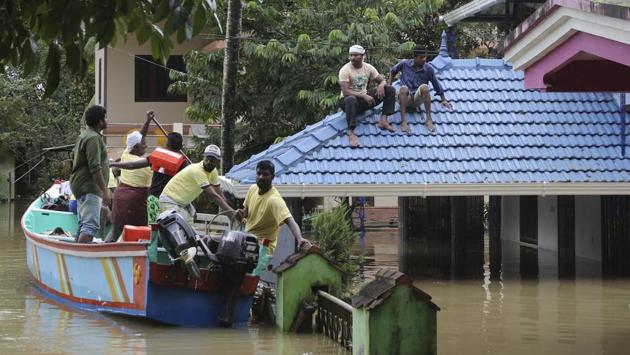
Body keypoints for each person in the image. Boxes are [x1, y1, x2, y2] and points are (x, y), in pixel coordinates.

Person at [109, 115, 189, 223]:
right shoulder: (183, 163)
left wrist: (114, 164)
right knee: (169, 228)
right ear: (181, 146)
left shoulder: (157, 156)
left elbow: (132, 165)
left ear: (167, 144)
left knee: (153, 228)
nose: (145, 145)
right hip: (170, 201)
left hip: (153, 199)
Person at [236, 160, 311, 256]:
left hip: (262, 248)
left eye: (265, 174)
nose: (261, 177)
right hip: (247, 240)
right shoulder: (252, 189)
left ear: (273, 176)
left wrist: (299, 238)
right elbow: (246, 212)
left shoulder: (274, 200)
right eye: (259, 174)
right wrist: (241, 213)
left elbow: (290, 220)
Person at [105, 112, 154, 242]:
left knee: (115, 231)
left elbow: (141, 137)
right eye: (144, 144)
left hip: (120, 197)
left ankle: (102, 252)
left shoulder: (127, 152)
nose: (146, 145)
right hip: (135, 202)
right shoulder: (146, 167)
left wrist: (148, 121)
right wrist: (113, 163)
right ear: (137, 147)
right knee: (141, 234)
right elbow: (132, 165)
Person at [339, 44, 396, 148]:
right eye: (350, 55)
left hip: (363, 101)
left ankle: (383, 120)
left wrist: (381, 86)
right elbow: (346, 91)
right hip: (349, 103)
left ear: (362, 56)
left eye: (355, 55)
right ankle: (351, 132)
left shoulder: (368, 67)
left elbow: (382, 80)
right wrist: (364, 96)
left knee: (390, 89)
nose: (352, 58)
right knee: (350, 99)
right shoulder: (345, 70)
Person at [159, 144, 235, 222]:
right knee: (180, 231)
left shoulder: (213, 172)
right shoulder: (198, 170)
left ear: (218, 162)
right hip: (169, 201)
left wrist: (230, 212)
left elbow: (220, 194)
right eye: (207, 158)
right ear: (203, 157)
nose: (208, 162)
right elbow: (214, 195)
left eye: (212, 160)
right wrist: (231, 212)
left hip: (182, 203)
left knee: (190, 231)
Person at [388, 46, 453, 133]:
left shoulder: (428, 69)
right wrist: (389, 87)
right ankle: (403, 121)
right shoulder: (404, 64)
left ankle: (429, 120)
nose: (424, 59)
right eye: (421, 57)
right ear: (415, 57)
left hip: (416, 99)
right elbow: (392, 72)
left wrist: (443, 99)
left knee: (425, 87)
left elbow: (436, 83)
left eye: (425, 57)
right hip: (404, 98)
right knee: (403, 88)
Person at [69, 105, 110, 243]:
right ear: (100, 121)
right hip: (89, 187)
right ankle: (80, 258)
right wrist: (105, 191)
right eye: (105, 118)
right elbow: (95, 167)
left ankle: (76, 252)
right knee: (90, 226)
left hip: (81, 186)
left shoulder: (85, 135)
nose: (107, 120)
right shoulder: (93, 138)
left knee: (83, 224)